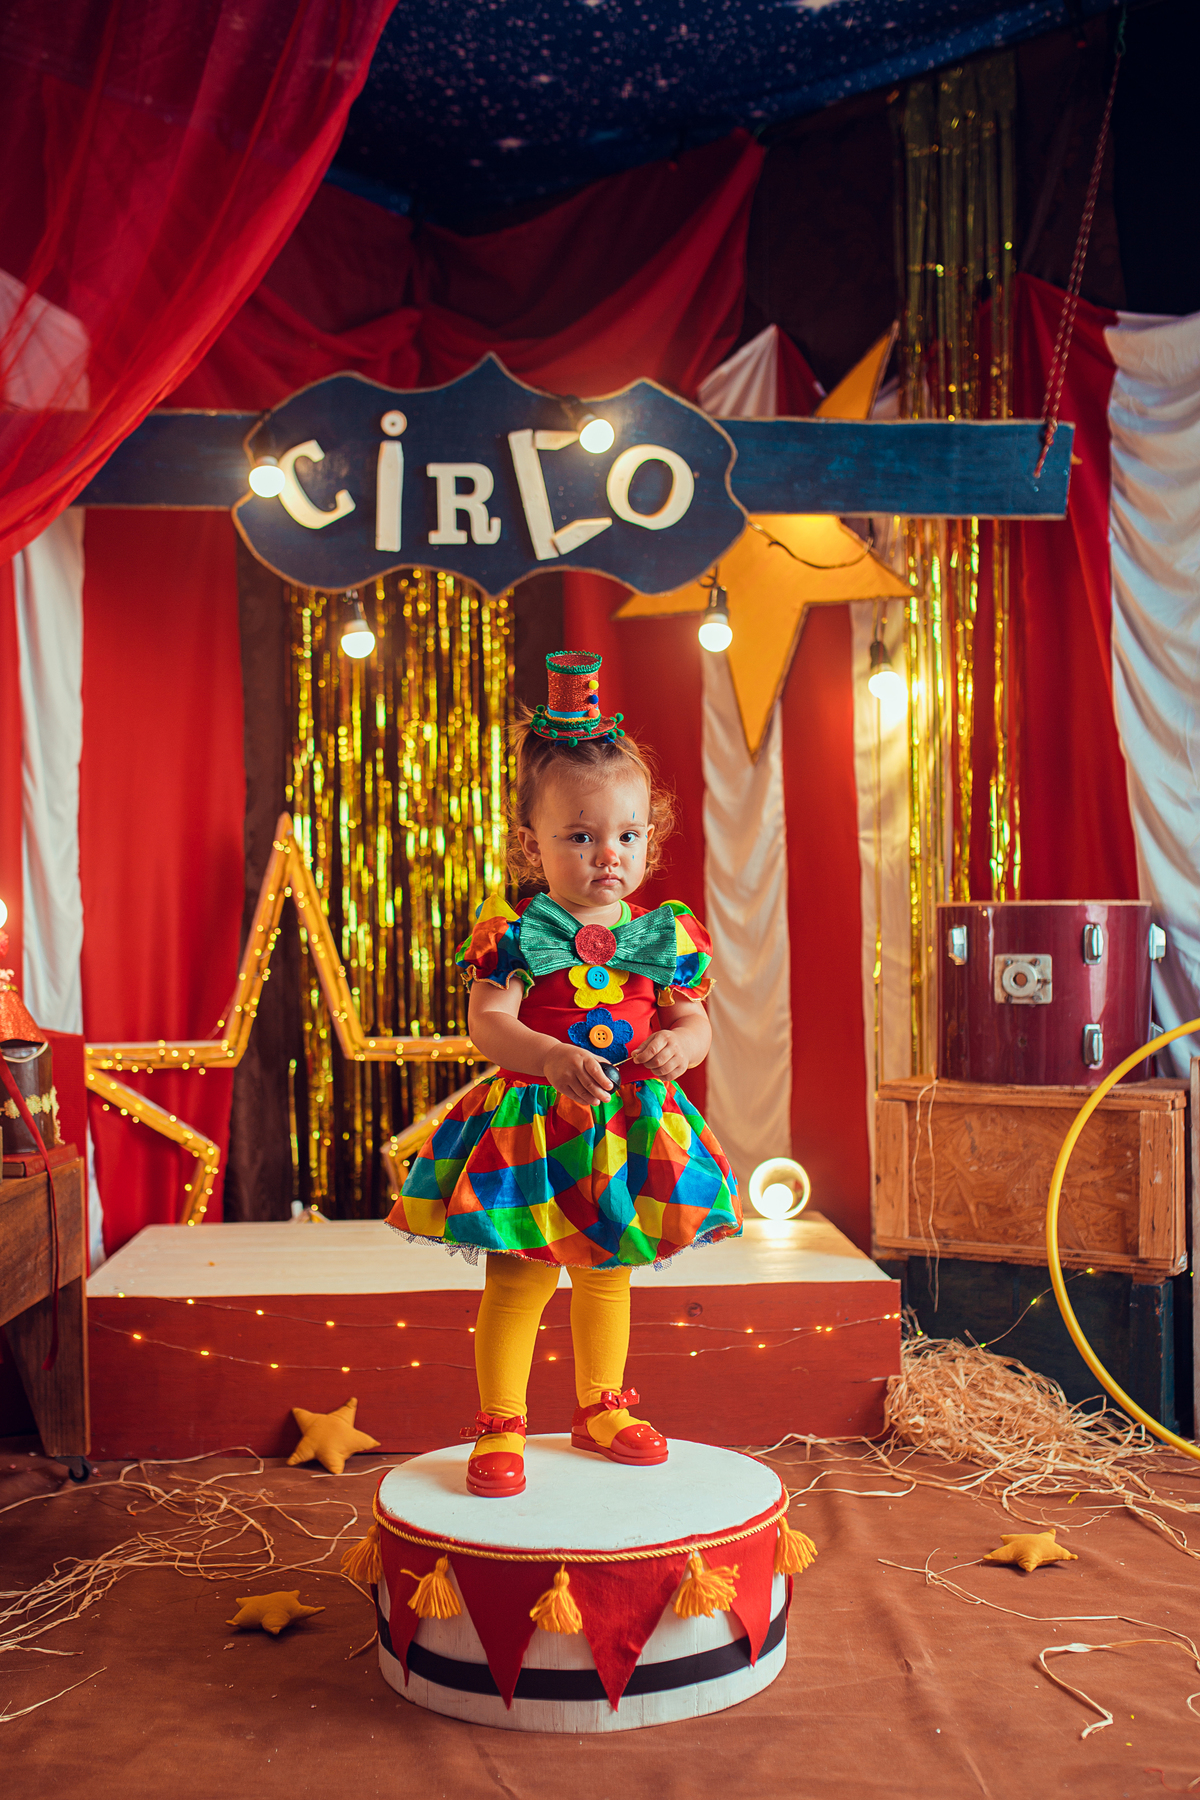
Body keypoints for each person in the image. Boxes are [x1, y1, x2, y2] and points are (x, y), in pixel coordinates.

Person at [388, 650, 739, 1497]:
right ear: (531, 843)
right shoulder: (516, 931)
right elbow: (488, 1022)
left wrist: (681, 1047)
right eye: (580, 837)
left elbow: (694, 1021)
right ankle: (501, 1421)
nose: (606, 855)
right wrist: (549, 1056)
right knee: (519, 1276)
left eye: (626, 836)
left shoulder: (664, 934)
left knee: (607, 1272)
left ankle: (600, 1408)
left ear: (647, 839)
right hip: (533, 1125)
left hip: (626, 1125)